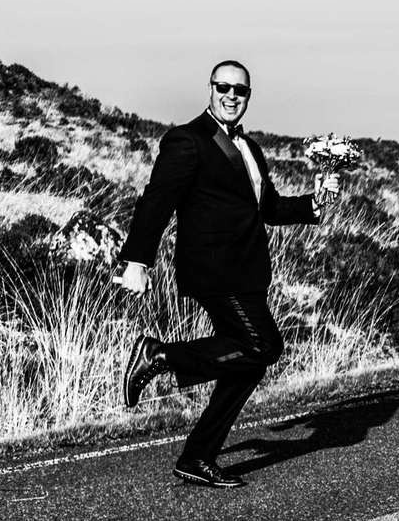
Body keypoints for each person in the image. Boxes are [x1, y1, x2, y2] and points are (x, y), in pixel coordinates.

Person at [113, 60, 340, 487]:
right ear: (211, 89)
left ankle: (197, 457)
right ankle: (158, 355)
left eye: (241, 91)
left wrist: (315, 202)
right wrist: (138, 261)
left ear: (248, 97)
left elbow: (268, 209)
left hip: (249, 271)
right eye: (224, 87)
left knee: (247, 364)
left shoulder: (252, 149)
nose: (232, 95)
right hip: (214, 270)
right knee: (264, 344)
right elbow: (156, 201)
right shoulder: (187, 140)